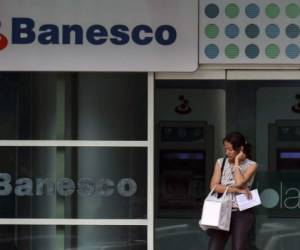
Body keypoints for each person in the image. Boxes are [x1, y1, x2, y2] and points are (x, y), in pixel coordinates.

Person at [208, 132, 257, 250]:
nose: (226, 153)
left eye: (230, 150)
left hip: (242, 213)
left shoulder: (252, 165)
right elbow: (213, 186)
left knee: (238, 247)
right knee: (214, 247)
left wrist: (236, 163)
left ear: (240, 149)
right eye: (225, 149)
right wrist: (236, 190)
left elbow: (240, 182)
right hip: (222, 210)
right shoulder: (220, 162)